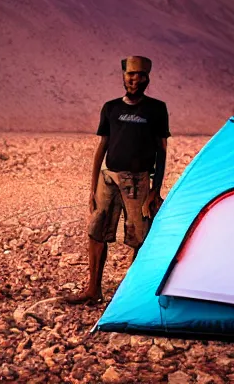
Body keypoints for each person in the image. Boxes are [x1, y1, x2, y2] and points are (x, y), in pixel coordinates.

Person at [65, 56, 170, 305]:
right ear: (123, 76)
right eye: (130, 75)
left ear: (147, 79)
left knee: (139, 236)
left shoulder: (156, 109)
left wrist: (156, 189)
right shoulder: (111, 108)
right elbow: (102, 146)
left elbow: (162, 150)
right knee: (96, 231)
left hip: (138, 181)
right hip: (108, 178)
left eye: (139, 75)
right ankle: (93, 290)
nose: (134, 80)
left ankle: (131, 295)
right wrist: (92, 188)